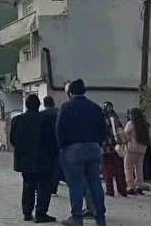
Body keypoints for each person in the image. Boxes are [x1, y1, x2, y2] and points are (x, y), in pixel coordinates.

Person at [56, 79, 107, 226]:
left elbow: (60, 130)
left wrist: (62, 147)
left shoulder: (66, 107)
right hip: (94, 148)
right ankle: (100, 218)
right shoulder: (95, 107)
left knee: (76, 185)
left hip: (73, 150)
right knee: (95, 184)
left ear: (70, 93)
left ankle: (76, 217)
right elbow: (103, 129)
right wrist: (97, 143)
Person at [10, 94, 57, 223]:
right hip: (43, 158)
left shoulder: (17, 120)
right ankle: (40, 213)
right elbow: (51, 140)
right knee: (43, 186)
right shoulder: (45, 120)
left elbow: (13, 140)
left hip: (24, 158)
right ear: (38, 105)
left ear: (26, 105)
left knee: (27, 185)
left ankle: (27, 212)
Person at [101, 102, 127, 197]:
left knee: (107, 170)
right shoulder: (116, 118)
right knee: (119, 169)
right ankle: (122, 189)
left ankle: (110, 190)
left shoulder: (102, 119)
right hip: (117, 147)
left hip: (105, 148)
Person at [124, 107, 151, 195]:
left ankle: (131, 187)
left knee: (128, 168)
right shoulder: (144, 124)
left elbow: (125, 134)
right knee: (139, 169)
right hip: (142, 149)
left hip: (132, 149)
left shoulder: (131, 124)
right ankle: (139, 186)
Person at [42, 96, 62, 196]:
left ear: (44, 104)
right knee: (56, 166)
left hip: (45, 144)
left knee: (45, 166)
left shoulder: (42, 115)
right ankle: (54, 188)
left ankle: (45, 187)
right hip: (58, 143)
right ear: (53, 103)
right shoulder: (59, 112)